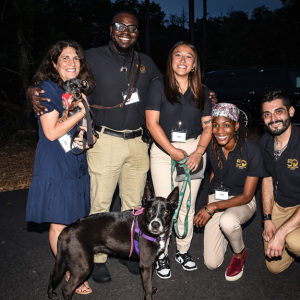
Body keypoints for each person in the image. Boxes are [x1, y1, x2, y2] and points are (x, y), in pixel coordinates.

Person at [27, 10, 162, 283]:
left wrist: (206, 93)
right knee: (100, 204)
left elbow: (168, 88)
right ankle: (98, 257)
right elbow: (61, 77)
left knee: (133, 205)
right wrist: (33, 92)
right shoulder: (92, 57)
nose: (126, 31)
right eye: (120, 27)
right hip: (105, 140)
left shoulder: (146, 62)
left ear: (137, 33)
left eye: (132, 28)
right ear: (111, 30)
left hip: (137, 142)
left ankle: (131, 252)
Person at [26, 40, 96, 294]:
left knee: (74, 221)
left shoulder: (77, 91)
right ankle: (69, 271)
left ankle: (72, 267)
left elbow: (89, 132)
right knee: (59, 224)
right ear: (54, 63)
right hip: (55, 164)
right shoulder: (46, 89)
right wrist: (81, 112)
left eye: (76, 58)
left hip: (75, 163)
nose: (71, 63)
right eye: (65, 58)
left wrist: (88, 137)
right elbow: (52, 132)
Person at [145, 41, 212, 279]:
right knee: (162, 205)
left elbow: (208, 127)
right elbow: (152, 123)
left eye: (188, 57)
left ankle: (182, 251)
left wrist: (198, 152)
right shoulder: (157, 86)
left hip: (193, 149)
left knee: (186, 204)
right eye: (178, 55)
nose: (183, 60)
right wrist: (172, 151)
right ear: (171, 60)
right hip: (164, 149)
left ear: (194, 64)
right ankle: (161, 254)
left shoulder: (203, 91)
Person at [194, 103, 263, 281]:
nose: (220, 130)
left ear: (236, 126)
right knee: (211, 263)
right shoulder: (212, 145)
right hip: (217, 198)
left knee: (228, 220)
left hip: (242, 201)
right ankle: (228, 232)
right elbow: (214, 174)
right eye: (215, 125)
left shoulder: (251, 150)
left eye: (226, 125)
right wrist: (210, 199)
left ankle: (239, 254)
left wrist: (212, 207)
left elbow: (248, 195)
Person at [259, 88, 300, 274]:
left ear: (290, 111)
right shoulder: (266, 141)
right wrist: (267, 219)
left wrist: (282, 233)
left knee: (294, 242)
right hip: (281, 205)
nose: (273, 119)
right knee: (273, 266)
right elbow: (267, 178)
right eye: (267, 114)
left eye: (278, 111)